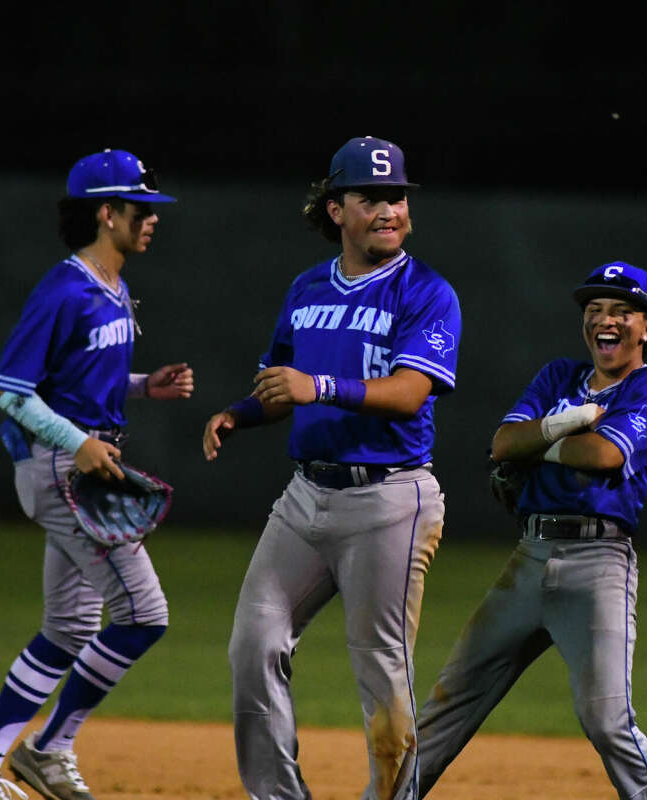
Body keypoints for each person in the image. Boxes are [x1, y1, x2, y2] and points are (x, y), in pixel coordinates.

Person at [203, 136, 460, 800]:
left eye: (397, 196)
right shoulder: (307, 286)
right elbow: (280, 383)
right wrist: (239, 412)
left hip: (389, 498)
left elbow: (408, 393)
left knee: (382, 670)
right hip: (304, 495)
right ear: (337, 208)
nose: (389, 209)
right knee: (252, 646)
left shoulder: (427, 292)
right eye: (371, 197)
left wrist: (317, 385)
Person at [0, 149, 192, 800]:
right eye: (142, 209)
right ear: (106, 214)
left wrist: (143, 387)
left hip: (83, 460)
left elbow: (74, 382)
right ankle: (48, 748)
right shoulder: (65, 289)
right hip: (63, 469)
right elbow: (11, 391)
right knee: (144, 613)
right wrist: (78, 443)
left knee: (70, 629)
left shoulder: (112, 288)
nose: (152, 220)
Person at [414, 261, 647, 800]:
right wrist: (569, 424)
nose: (606, 320)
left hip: (599, 561)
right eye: (595, 310)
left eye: (622, 311)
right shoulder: (559, 375)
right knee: (445, 705)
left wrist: (541, 443)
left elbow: (604, 454)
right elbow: (503, 444)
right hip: (529, 557)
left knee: (607, 720)